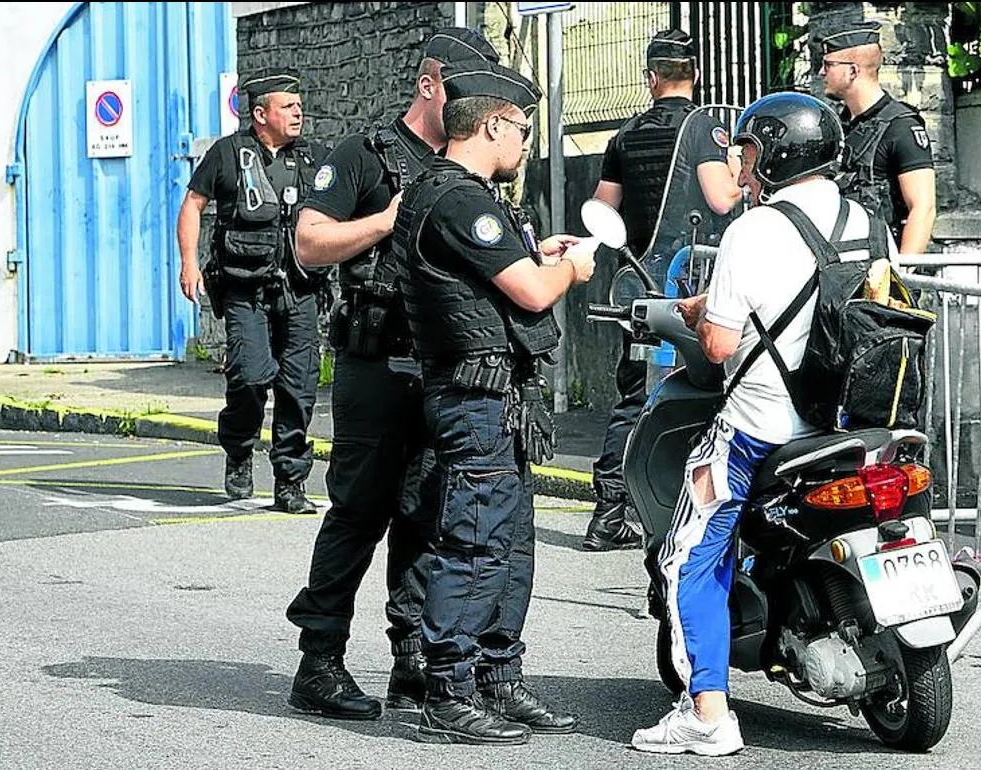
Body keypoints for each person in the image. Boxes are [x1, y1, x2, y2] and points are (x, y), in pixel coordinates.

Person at [630, 92, 897, 756]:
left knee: (687, 557)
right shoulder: (866, 219)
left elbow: (718, 346)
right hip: (847, 425)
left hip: (759, 431)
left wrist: (698, 313)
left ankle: (707, 716)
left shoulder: (752, 231)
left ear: (773, 154)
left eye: (745, 151)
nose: (740, 166)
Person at [283, 28, 499, 721]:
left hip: (442, 364)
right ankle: (318, 661)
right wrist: (387, 221)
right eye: (463, 90)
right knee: (359, 510)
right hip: (375, 363)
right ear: (431, 86)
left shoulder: (469, 168)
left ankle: (411, 659)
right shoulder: (364, 155)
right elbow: (309, 243)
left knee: (427, 515)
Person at [393, 59, 592, 746]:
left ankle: (495, 678)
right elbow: (534, 294)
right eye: (524, 130)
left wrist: (545, 253)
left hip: (498, 396)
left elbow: (507, 277)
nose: (527, 145)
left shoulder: (463, 197)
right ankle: (447, 689)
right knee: (475, 540)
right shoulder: (456, 199)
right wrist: (570, 268)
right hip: (473, 395)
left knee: (508, 544)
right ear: (495, 125)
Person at [583, 29, 742, 552]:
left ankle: (609, 509)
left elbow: (602, 210)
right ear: (695, 76)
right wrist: (744, 177)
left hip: (638, 288)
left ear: (651, 79)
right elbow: (721, 201)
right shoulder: (704, 128)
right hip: (690, 283)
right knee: (704, 392)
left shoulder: (624, 135)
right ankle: (689, 503)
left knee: (635, 396)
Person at [176, 68, 328, 515]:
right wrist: (189, 263)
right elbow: (193, 205)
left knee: (299, 387)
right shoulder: (228, 155)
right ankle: (239, 449)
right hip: (246, 291)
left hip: (300, 289)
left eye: (299, 105)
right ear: (260, 114)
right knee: (250, 376)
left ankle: (290, 482)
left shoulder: (314, 158)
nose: (298, 112)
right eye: (288, 106)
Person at [819, 20, 936, 254]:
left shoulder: (901, 127)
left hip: (883, 267)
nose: (821, 72)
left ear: (853, 71)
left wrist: (900, 279)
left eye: (828, 65)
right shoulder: (836, 126)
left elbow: (923, 208)